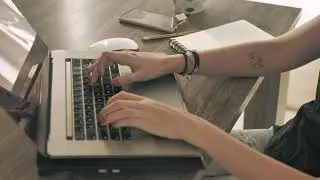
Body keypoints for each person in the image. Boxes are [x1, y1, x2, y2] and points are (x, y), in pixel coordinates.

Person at [84, 15, 320, 180]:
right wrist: (173, 62)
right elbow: (277, 52)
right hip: (288, 146)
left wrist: (191, 126)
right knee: (125, 155)